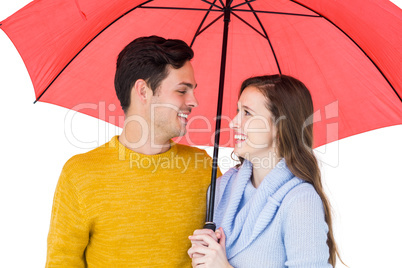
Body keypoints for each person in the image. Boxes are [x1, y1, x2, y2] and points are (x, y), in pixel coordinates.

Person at [46, 36, 219, 267]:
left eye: (193, 90)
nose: (194, 101)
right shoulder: (80, 174)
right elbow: (62, 262)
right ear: (143, 91)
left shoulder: (204, 167)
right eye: (182, 90)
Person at [188, 75, 342, 267]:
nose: (233, 122)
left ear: (279, 126)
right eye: (238, 111)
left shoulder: (300, 201)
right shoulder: (221, 188)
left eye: (247, 113)